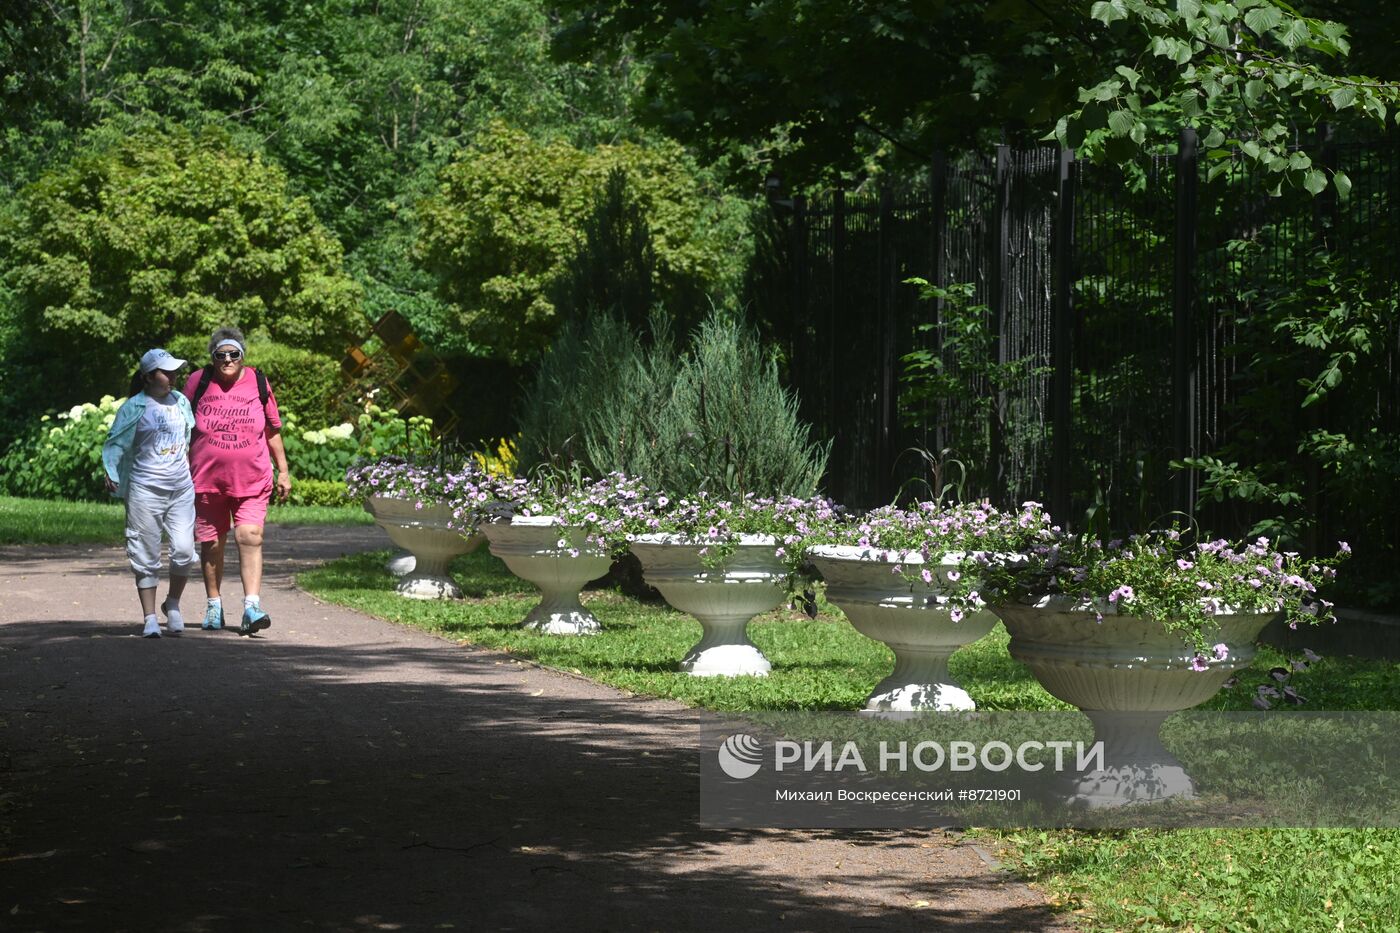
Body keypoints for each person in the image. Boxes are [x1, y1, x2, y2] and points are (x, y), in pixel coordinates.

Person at [183, 327, 292, 636]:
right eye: (221, 355)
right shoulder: (198, 382)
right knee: (212, 543)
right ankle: (214, 606)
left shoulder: (258, 382)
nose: (227, 360)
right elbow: (181, 424)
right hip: (207, 480)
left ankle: (251, 607)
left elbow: (272, 430)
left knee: (250, 536)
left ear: (243, 356)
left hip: (253, 477)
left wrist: (283, 470)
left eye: (234, 354)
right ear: (213, 358)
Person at [102, 348, 197, 638]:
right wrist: (111, 470)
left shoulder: (181, 401)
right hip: (145, 489)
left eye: (173, 371)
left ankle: (173, 604)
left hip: (180, 488)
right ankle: (150, 617)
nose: (172, 376)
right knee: (146, 553)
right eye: (165, 371)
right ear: (147, 377)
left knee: (183, 550)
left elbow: (188, 440)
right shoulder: (134, 407)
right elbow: (115, 443)